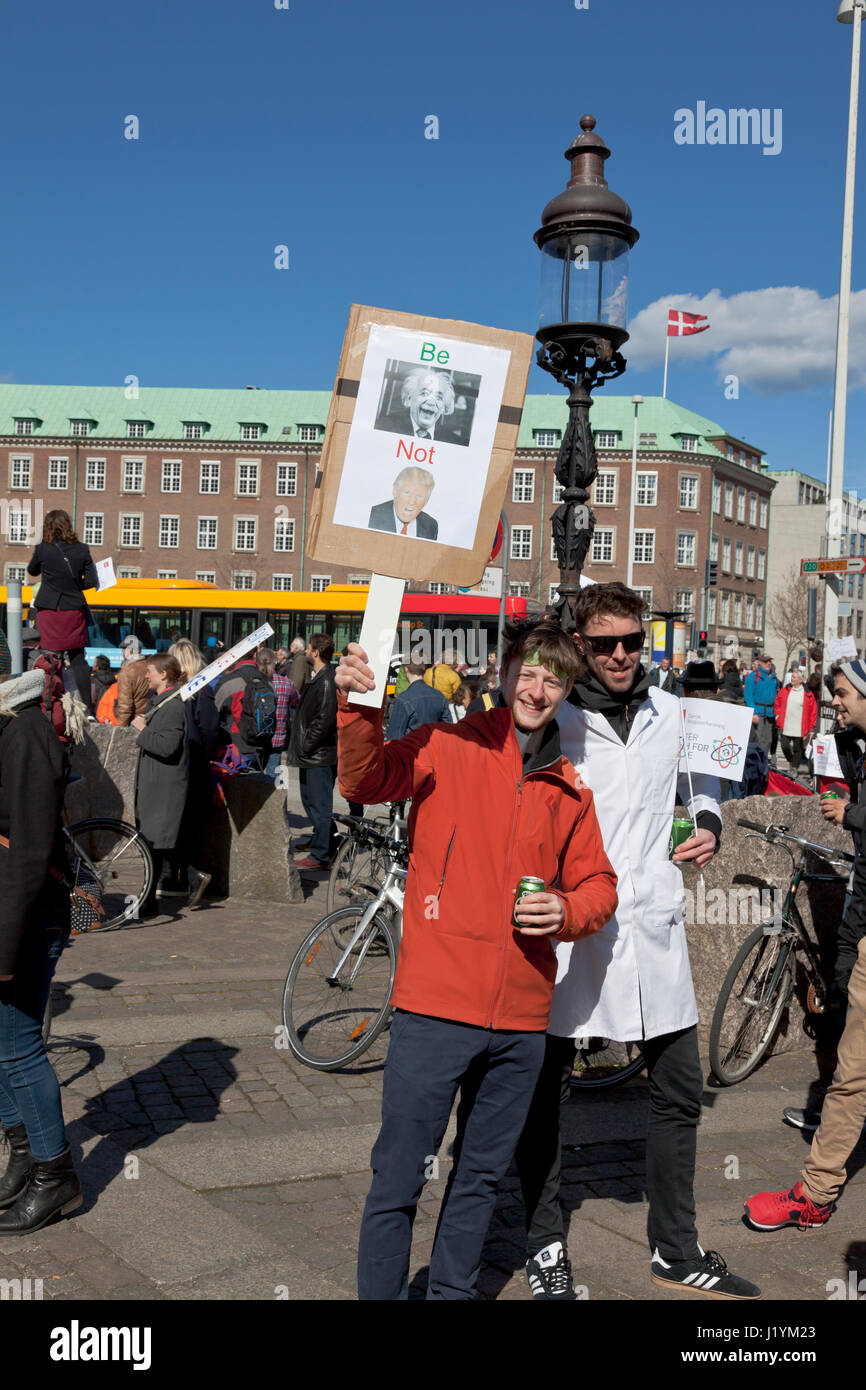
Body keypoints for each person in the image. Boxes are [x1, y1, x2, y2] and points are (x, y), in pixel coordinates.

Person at [336, 621, 617, 1300]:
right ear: (504, 672)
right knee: (400, 1179)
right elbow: (366, 777)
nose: (538, 687)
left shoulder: (570, 786)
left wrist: (566, 910)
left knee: (480, 1182)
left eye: (554, 678)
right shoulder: (448, 743)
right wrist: (356, 706)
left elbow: (600, 886)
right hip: (436, 1007)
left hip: (521, 1023)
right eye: (528, 671)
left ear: (567, 692)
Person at [515, 582, 760, 1301]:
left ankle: (675, 1248)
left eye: (633, 641)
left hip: (651, 925)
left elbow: (702, 778)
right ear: (579, 647)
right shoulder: (550, 721)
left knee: (680, 1088)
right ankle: (543, 1243)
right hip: (570, 929)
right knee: (545, 1093)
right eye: (604, 644)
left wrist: (709, 821)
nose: (621, 655)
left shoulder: (672, 710)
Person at [744, 659, 866, 1232]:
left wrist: (854, 812)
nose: (833, 703)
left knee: (851, 1075)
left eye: (841, 695)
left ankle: (815, 1195)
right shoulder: (857, 748)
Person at [0, 669, 82, 1234]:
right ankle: (25, 1153)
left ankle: (55, 1176)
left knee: (18, 1047)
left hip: (24, 916)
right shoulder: (14, 730)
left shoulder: (25, 734)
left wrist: (5, 943)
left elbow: (29, 851)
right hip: (13, 910)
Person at [131, 655, 189, 916]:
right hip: (158, 785)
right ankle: (150, 898)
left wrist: (143, 730)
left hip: (163, 787)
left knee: (154, 845)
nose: (146, 676)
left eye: (150, 671)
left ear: (164, 674)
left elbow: (167, 747)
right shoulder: (165, 702)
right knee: (154, 845)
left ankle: (149, 900)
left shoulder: (172, 706)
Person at [160, 639, 215, 908]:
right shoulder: (202, 691)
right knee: (192, 826)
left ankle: (181, 878)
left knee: (175, 825)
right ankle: (186, 877)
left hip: (176, 767)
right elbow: (210, 730)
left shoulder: (172, 693)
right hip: (198, 766)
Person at [26, 509, 98, 714]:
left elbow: (32, 570)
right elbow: (92, 581)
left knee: (48, 657)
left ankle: (46, 705)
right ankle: (89, 710)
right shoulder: (82, 549)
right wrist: (74, 587)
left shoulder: (43, 549)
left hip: (49, 610)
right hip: (73, 609)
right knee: (77, 659)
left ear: (47, 527)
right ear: (68, 525)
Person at [287, 634, 338, 872]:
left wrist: (307, 744)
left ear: (316, 652)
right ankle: (320, 842)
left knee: (319, 805)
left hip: (318, 754)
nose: (306, 651)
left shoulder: (327, 679)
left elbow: (324, 719)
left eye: (309, 648)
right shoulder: (320, 676)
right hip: (313, 753)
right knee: (310, 801)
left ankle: (321, 854)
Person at [213, 645, 275, 773]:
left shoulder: (227, 682)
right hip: (262, 747)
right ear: (254, 655)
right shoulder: (267, 682)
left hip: (235, 747)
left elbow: (214, 715)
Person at [374, 367, 467, 446]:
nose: (431, 402)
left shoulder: (454, 442)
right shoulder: (383, 428)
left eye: (439, 397)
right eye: (425, 393)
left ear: (443, 407)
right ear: (409, 399)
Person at [257, 647, 299, 779]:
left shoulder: (253, 682)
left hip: (256, 738)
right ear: (275, 662)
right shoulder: (286, 683)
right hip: (277, 738)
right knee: (273, 781)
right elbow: (296, 701)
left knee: (252, 780)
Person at [385, 658, 451, 741]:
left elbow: (394, 737)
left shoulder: (403, 698)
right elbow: (448, 728)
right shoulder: (439, 696)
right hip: (435, 748)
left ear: (406, 669)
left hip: (412, 751)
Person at [368, 466, 438, 540]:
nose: (412, 502)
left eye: (419, 496)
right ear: (395, 491)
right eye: (407, 492)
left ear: (426, 501)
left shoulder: (431, 526)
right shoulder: (372, 515)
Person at [774, 668, 816, 773]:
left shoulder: (808, 694)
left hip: (799, 726)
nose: (791, 678)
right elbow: (777, 703)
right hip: (786, 724)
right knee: (784, 745)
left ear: (801, 680)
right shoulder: (785, 690)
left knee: (798, 749)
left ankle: (794, 768)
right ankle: (791, 761)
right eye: (792, 676)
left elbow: (813, 711)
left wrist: (811, 727)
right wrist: (777, 715)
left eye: (794, 677)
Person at [743, 653, 780, 758]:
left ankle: (763, 762)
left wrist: (777, 712)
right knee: (757, 740)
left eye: (769, 661)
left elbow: (777, 696)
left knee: (768, 740)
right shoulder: (753, 676)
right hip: (758, 713)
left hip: (770, 714)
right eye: (765, 661)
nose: (768, 663)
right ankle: (756, 763)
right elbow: (748, 696)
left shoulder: (773, 677)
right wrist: (753, 713)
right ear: (759, 662)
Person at [115, 636, 150, 727]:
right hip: (148, 719)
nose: (122, 653)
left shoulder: (126, 672)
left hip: (134, 723)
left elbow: (125, 707)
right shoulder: (149, 666)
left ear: (129, 651)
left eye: (123, 649)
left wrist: (120, 731)